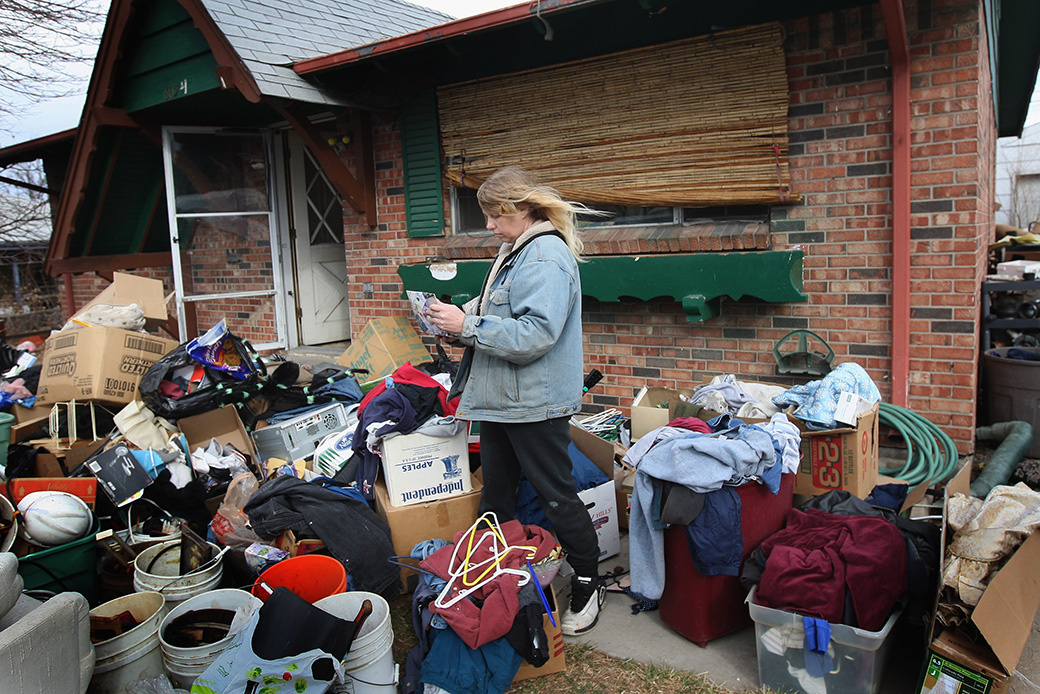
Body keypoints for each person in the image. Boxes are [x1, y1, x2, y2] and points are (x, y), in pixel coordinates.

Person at [425, 167, 605, 635]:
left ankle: (589, 576)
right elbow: (499, 309)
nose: (486, 226)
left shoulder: (544, 256)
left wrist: (465, 327)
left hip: (534, 403)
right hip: (502, 400)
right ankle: (502, 574)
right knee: (498, 494)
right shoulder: (515, 250)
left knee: (557, 497)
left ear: (520, 209)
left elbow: (535, 334)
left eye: (492, 215)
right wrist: (454, 316)